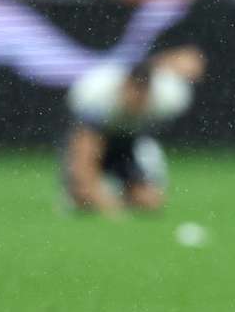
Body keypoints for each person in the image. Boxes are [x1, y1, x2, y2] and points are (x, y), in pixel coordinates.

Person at [62, 46, 205, 216]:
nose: (136, 100)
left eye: (142, 95)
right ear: (123, 86)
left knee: (149, 202)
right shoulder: (97, 97)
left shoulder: (169, 98)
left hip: (128, 145)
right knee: (84, 198)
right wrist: (109, 207)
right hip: (96, 143)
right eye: (132, 91)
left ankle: (117, 192)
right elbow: (83, 157)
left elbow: (183, 59)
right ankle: (76, 192)